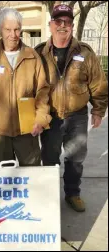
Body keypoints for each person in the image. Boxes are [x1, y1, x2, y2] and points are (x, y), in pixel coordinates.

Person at [35, 4, 108, 212]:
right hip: (50, 117)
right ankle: (49, 197)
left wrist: (98, 110)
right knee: (49, 158)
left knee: (75, 158)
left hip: (77, 117)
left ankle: (72, 193)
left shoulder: (85, 53)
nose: (62, 25)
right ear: (51, 25)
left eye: (67, 21)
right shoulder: (39, 53)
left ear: (72, 26)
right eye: (58, 21)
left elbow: (99, 83)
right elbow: (29, 85)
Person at [0, 8, 51, 167]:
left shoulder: (32, 56)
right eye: (8, 29)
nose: (13, 35)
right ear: (0, 29)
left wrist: (41, 118)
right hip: (0, 129)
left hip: (28, 129)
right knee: (4, 174)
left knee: (31, 173)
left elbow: (43, 90)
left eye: (17, 29)